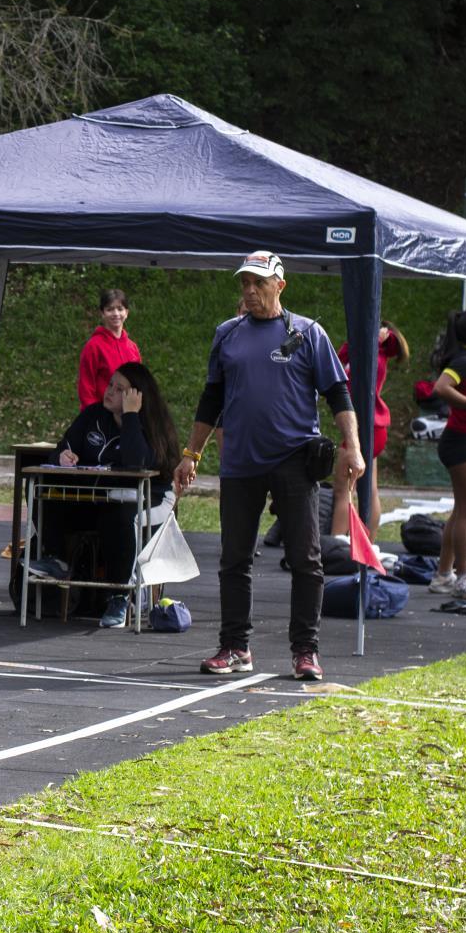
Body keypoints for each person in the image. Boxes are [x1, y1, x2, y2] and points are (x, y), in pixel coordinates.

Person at [175, 252, 360, 682]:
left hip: (295, 461)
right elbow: (211, 400)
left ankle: (305, 651)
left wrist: (352, 446)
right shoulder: (227, 335)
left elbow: (338, 393)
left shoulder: (308, 332)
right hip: (241, 462)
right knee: (234, 559)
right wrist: (191, 454)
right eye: (244, 283)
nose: (250, 291)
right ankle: (235, 646)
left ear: (280, 285)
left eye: (258, 283)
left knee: (305, 559)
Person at [52, 361, 180, 627]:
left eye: (119, 389)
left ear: (136, 396)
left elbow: (137, 463)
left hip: (150, 499)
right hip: (104, 496)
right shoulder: (93, 415)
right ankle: (56, 560)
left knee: (121, 517)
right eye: (110, 384)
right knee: (54, 499)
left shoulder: (150, 425)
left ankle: (120, 596)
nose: (109, 391)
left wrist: (131, 416)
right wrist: (63, 455)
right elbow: (62, 446)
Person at [328, 322, 408, 540]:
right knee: (367, 488)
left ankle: (336, 542)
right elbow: (337, 360)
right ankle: (365, 543)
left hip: (367, 425)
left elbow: (346, 361)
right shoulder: (369, 353)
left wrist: (375, 338)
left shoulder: (375, 355)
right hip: (370, 425)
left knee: (343, 488)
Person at [429, 311, 466, 599]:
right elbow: (441, 388)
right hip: (461, 443)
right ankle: (463, 577)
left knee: (461, 510)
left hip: (464, 441)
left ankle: (443, 575)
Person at [78, 289, 141, 410]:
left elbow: (138, 385)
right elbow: (86, 388)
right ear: (102, 313)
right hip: (101, 415)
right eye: (110, 309)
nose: (116, 313)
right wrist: (95, 416)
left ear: (126, 312)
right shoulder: (93, 346)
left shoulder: (132, 348)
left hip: (127, 416)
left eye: (120, 308)